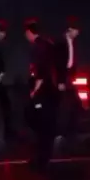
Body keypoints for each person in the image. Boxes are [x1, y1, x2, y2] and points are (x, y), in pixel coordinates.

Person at [24, 20, 59, 170]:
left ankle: (42, 160)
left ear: (30, 32)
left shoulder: (40, 47)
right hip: (50, 91)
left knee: (42, 125)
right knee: (45, 125)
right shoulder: (47, 44)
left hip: (44, 92)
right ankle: (43, 157)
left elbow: (41, 72)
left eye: (26, 33)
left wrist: (35, 90)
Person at [55, 19, 82, 147]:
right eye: (76, 31)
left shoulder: (73, 43)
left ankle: (71, 133)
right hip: (62, 79)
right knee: (62, 107)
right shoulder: (61, 43)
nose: (78, 33)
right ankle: (60, 133)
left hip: (69, 78)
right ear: (70, 30)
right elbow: (59, 63)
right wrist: (60, 81)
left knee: (75, 104)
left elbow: (72, 61)